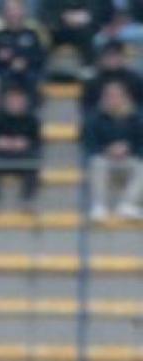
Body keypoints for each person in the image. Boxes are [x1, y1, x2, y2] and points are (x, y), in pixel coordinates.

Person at [83, 80, 143, 220]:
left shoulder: (137, 118)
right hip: (105, 160)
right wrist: (107, 150)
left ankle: (128, 205)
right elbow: (90, 145)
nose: (113, 100)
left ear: (125, 97)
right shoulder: (94, 119)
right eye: (109, 96)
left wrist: (128, 148)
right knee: (97, 163)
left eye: (117, 96)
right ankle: (99, 206)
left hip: (129, 160)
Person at [0, 85, 41, 209]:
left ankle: (27, 201)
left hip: (22, 158)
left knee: (34, 161)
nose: (15, 103)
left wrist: (26, 143)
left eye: (18, 100)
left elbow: (38, 143)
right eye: (12, 100)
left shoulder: (31, 120)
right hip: (1, 157)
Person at [0, 0, 46, 104]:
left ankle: (29, 111)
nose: (13, 13)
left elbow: (40, 56)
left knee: (34, 78)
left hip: (28, 73)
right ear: (4, 13)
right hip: (5, 73)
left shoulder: (32, 34)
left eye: (16, 9)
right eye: (9, 10)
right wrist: (0, 57)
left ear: (23, 11)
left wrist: (25, 62)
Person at [38, 0, 109, 70]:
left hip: (88, 33)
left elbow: (104, 14)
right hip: (58, 33)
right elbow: (45, 15)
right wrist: (64, 17)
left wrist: (87, 18)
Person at [81, 40, 143, 117]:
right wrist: (101, 109)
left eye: (116, 55)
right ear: (101, 58)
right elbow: (86, 109)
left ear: (124, 57)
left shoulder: (135, 80)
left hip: (133, 120)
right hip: (101, 120)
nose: (112, 59)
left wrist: (131, 109)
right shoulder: (93, 82)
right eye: (109, 56)